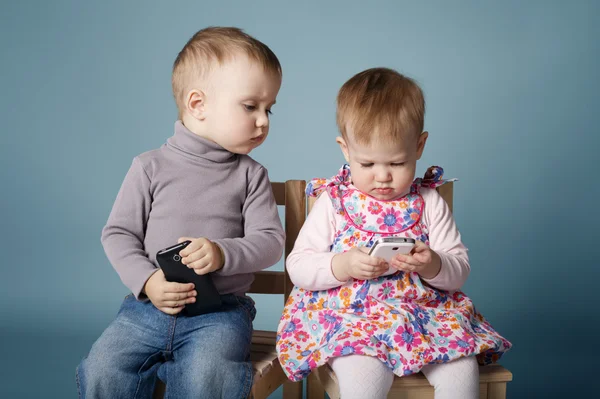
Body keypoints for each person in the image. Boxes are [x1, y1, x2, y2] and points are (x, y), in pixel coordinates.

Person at [276, 68, 511, 399]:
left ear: (419, 146)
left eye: (397, 164)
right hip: (353, 320)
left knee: (461, 370)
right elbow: (298, 266)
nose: (382, 177)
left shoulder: (428, 201)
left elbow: (459, 270)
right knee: (363, 380)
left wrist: (433, 264)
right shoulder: (335, 201)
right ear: (345, 149)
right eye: (368, 164)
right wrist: (342, 266)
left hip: (426, 317)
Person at [77, 26, 285, 398]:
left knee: (209, 374)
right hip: (146, 310)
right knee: (103, 367)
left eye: (268, 108)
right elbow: (118, 234)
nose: (264, 119)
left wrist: (223, 253)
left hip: (219, 315)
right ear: (197, 105)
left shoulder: (251, 175)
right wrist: (147, 282)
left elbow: (270, 243)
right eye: (250, 105)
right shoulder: (149, 167)